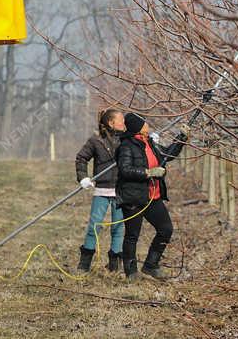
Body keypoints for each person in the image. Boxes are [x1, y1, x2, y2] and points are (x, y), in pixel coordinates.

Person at [115, 112, 186, 280]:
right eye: (144, 123)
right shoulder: (126, 146)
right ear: (138, 128)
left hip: (154, 197)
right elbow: (125, 170)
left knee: (165, 229)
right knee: (132, 235)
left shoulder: (150, 143)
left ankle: (151, 265)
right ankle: (131, 272)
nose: (147, 124)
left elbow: (167, 155)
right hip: (134, 197)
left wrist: (182, 138)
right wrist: (147, 173)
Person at [74, 108, 126, 273]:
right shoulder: (96, 140)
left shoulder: (126, 139)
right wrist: (83, 177)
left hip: (120, 191)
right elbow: (81, 158)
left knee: (118, 228)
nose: (124, 124)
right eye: (121, 120)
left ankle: (114, 265)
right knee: (94, 226)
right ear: (111, 123)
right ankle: (84, 264)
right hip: (102, 190)